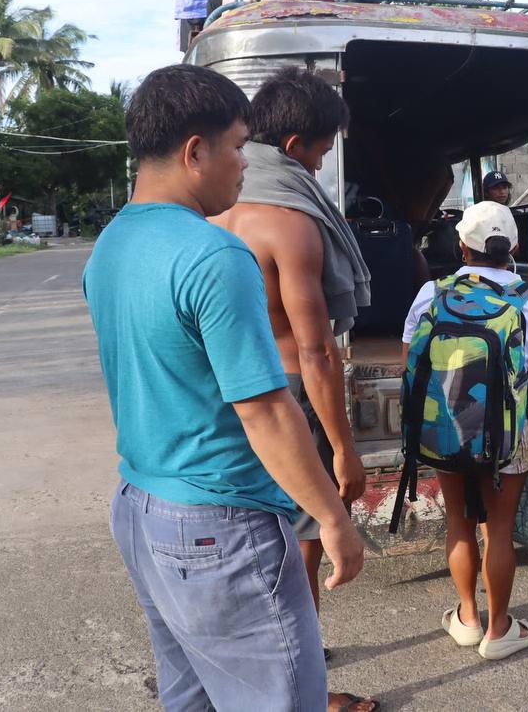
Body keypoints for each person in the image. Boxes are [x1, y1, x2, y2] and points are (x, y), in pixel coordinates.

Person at [83, 65, 364, 712]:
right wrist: (331, 516)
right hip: (218, 524)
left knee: (193, 698)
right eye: (238, 147)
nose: (245, 164)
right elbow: (265, 408)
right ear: (194, 151)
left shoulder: (111, 245)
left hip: (140, 505)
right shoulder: (211, 255)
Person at [208, 68, 378, 711]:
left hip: (222, 393)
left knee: (241, 540)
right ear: (296, 144)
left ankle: (256, 670)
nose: (323, 165)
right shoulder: (291, 223)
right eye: (323, 151)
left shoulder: (210, 209)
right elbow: (315, 350)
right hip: (285, 395)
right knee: (300, 553)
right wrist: (342, 447)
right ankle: (306, 690)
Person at [401, 202, 528, 660]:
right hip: (510, 434)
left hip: (444, 429)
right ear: (513, 246)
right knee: (498, 529)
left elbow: (411, 366)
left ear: (462, 246)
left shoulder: (431, 294)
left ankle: (466, 619)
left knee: (458, 521)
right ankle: (499, 631)